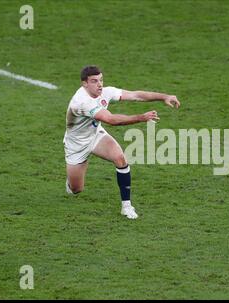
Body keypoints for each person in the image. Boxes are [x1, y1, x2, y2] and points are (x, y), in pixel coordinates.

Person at [63, 65, 180, 219]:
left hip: (96, 134)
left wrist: (164, 96)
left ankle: (127, 206)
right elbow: (111, 120)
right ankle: (73, 180)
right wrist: (141, 118)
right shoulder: (81, 102)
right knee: (76, 189)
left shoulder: (105, 92)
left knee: (120, 158)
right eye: (94, 81)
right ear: (84, 83)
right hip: (76, 145)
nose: (100, 84)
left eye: (101, 80)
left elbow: (135, 95)